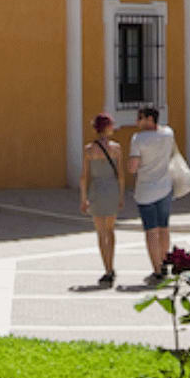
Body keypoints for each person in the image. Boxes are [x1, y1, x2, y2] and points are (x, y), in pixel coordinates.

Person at [127, 104, 188, 277]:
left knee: (151, 231)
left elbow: (133, 167)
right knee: (164, 228)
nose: (137, 121)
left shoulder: (138, 139)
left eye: (140, 117)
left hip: (146, 190)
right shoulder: (168, 133)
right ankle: (164, 262)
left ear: (149, 119)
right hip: (165, 188)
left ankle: (156, 268)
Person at [72, 110, 130, 289]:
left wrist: (83, 198)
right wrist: (121, 196)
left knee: (100, 232)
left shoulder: (89, 149)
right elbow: (121, 175)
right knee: (111, 231)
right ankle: (111, 266)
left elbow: (84, 176)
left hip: (96, 190)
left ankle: (107, 269)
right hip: (111, 189)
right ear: (106, 127)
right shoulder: (117, 148)